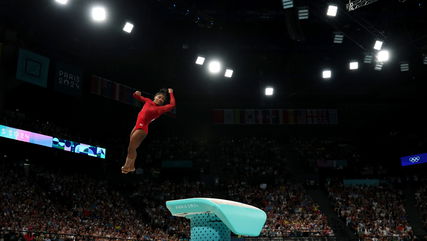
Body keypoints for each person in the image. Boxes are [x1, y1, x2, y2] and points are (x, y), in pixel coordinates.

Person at [121, 88, 176, 174]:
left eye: (162, 99)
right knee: (132, 148)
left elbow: (172, 105)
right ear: (155, 97)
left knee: (131, 148)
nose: (161, 99)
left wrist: (171, 93)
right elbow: (136, 96)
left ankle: (127, 166)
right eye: (159, 97)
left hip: (142, 129)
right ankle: (132, 167)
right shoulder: (148, 101)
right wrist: (136, 93)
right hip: (136, 126)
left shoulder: (161, 109)